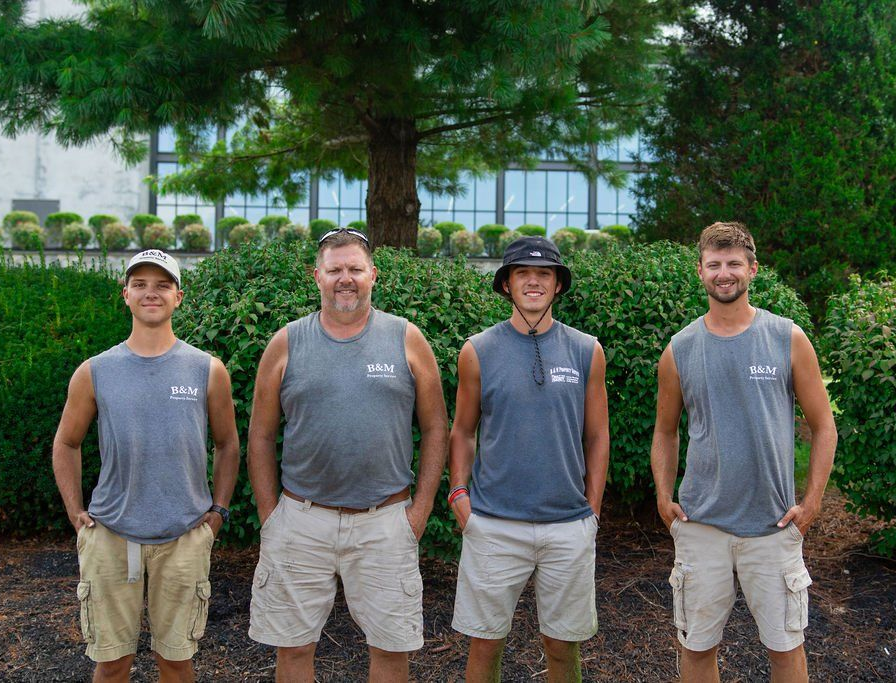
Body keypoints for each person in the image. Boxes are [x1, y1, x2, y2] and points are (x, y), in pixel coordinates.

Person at [247, 228, 449, 682]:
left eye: (355, 269)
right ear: (315, 276)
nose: (345, 278)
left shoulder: (406, 338)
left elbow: (437, 427)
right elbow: (260, 435)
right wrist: (271, 516)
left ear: (373, 275)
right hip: (301, 521)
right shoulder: (286, 342)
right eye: (335, 269)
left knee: (391, 651)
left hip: (385, 522)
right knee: (294, 651)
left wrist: (419, 510)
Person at [651, 222, 837, 682]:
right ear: (700, 272)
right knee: (696, 648)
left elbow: (824, 425)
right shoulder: (680, 348)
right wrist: (662, 494)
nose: (724, 273)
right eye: (714, 264)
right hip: (700, 526)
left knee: (785, 649)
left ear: (752, 270)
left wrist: (812, 501)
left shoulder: (786, 337)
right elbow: (665, 431)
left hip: (773, 527)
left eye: (734, 263)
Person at [53, 249, 240, 682]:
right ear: (125, 295)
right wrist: (73, 510)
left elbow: (228, 444)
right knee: (112, 663)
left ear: (179, 297)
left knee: (176, 662)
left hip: (184, 538)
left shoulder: (207, 370)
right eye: (140, 284)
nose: (150, 293)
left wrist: (218, 512)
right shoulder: (95, 371)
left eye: (162, 285)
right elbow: (66, 442)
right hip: (110, 536)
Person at [449, 236, 610, 683]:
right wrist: (459, 495)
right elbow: (462, 431)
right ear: (506, 285)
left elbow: (597, 436)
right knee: (485, 645)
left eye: (544, 274)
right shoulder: (477, 350)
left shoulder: (586, 350)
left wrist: (591, 510)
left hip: (567, 525)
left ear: (558, 285)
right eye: (523, 273)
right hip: (494, 524)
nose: (534, 281)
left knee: (562, 648)